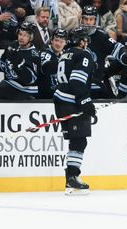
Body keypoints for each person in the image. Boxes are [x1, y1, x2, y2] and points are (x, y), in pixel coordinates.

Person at [52, 28, 96, 195]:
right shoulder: (83, 55)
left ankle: (71, 178)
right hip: (71, 103)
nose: (87, 43)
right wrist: (86, 103)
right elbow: (77, 83)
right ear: (81, 41)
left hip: (61, 102)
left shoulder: (65, 54)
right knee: (79, 142)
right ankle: (72, 179)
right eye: (85, 40)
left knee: (76, 141)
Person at [0, 21, 39, 100]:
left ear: (31, 38)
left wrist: (19, 65)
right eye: (20, 34)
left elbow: (30, 80)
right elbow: (2, 64)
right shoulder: (12, 46)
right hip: (11, 84)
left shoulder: (34, 54)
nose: (21, 38)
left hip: (25, 89)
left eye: (25, 36)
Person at [79, 5, 123, 98]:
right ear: (81, 19)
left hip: (97, 84)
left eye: (91, 19)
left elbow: (117, 47)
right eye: (85, 19)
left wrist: (126, 54)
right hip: (79, 84)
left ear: (96, 20)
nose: (88, 22)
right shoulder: (75, 35)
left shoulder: (102, 36)